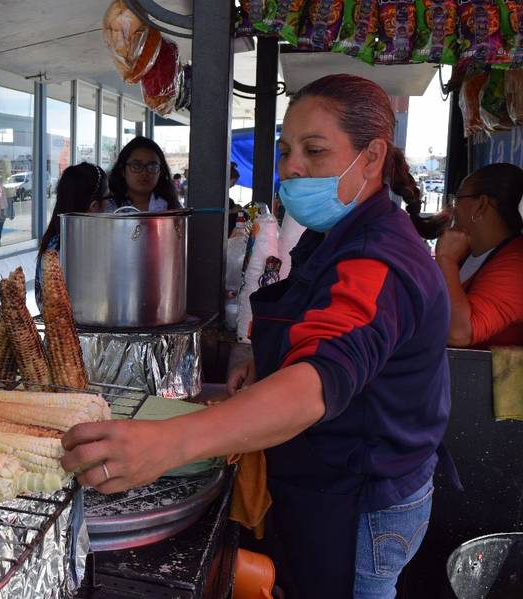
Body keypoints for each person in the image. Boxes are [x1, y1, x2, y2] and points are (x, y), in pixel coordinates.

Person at [61, 75, 454, 598]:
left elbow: (319, 381)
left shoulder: (378, 258)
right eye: (286, 150)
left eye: (314, 151)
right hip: (329, 471)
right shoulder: (338, 230)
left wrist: (167, 443)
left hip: (363, 497)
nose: (292, 167)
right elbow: (312, 323)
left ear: (373, 156)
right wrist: (257, 354)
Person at [431, 163, 523, 348]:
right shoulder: (466, 253)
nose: (453, 210)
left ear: (481, 205)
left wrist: (446, 260)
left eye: (457, 200)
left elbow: (458, 332)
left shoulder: (515, 267)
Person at [35, 163, 108, 311]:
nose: (110, 205)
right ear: (94, 206)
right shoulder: (82, 250)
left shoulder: (53, 241)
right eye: (108, 197)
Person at [105, 136, 180, 212]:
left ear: (161, 171)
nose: (144, 173)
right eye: (137, 166)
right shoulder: (105, 208)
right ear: (122, 170)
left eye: (152, 167)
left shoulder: (172, 208)